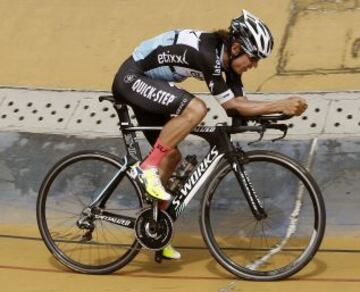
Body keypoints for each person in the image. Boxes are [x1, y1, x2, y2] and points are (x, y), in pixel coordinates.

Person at [112, 9, 308, 260]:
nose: (255, 64)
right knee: (197, 108)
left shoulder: (229, 63)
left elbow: (241, 106)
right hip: (131, 78)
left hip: (149, 84)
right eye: (254, 57)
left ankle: (155, 229)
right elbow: (231, 107)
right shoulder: (208, 55)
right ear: (236, 47)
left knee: (171, 157)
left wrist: (278, 115)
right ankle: (147, 167)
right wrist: (279, 104)